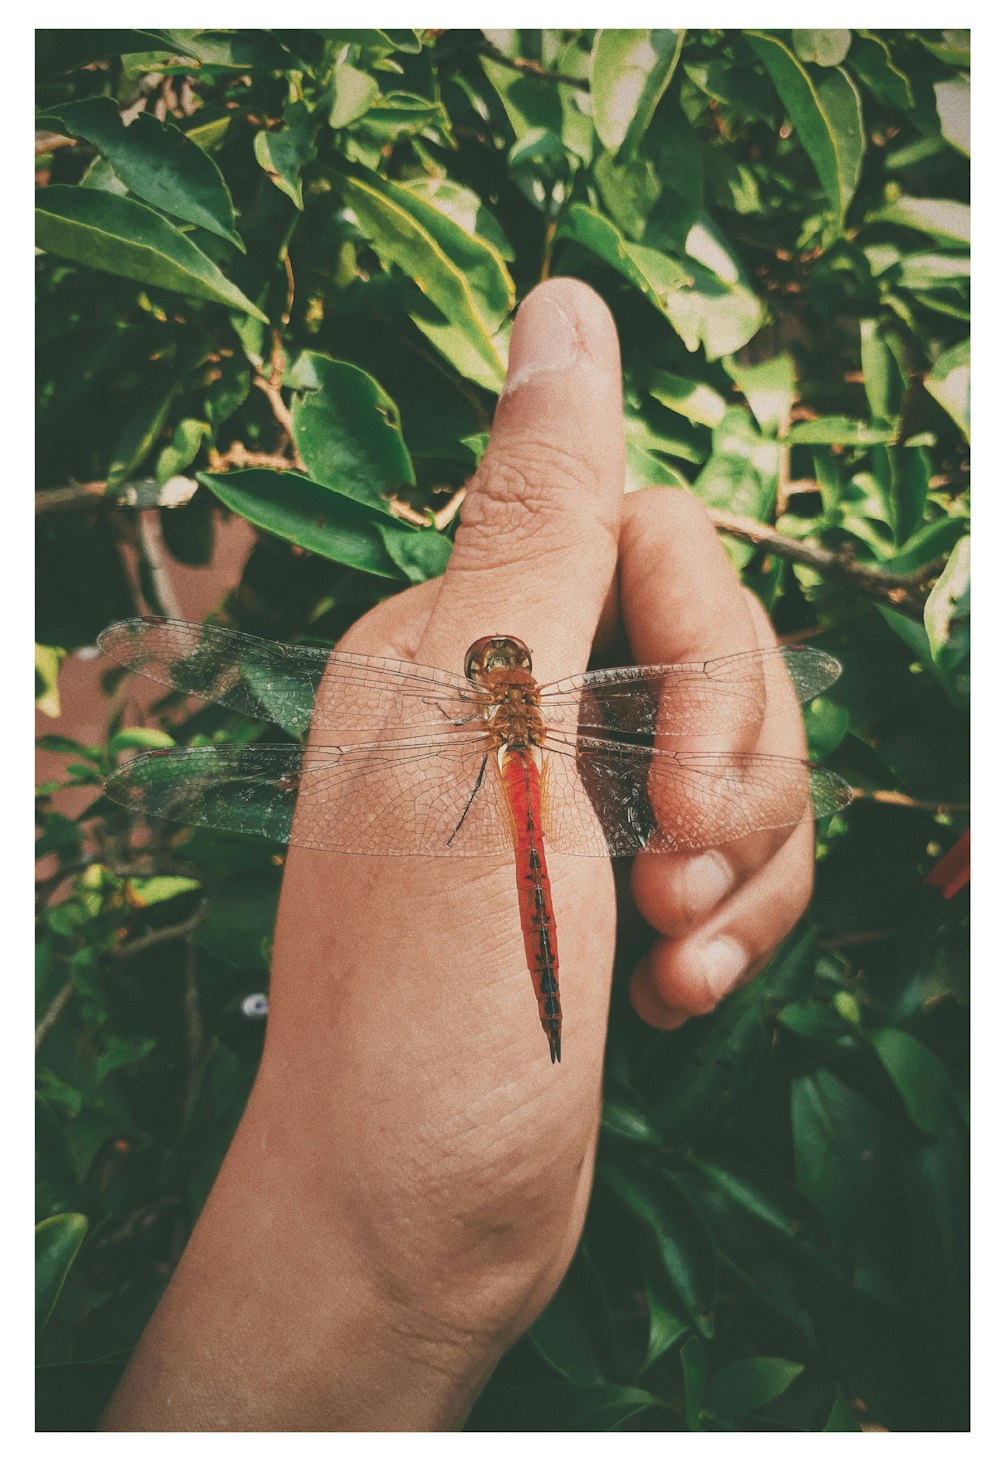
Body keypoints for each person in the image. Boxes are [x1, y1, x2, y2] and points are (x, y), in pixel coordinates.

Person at [100, 279, 815, 1431]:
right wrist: (389, 1277)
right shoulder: (514, 718)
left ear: (497, 688)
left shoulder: (489, 725)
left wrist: (387, 1282)